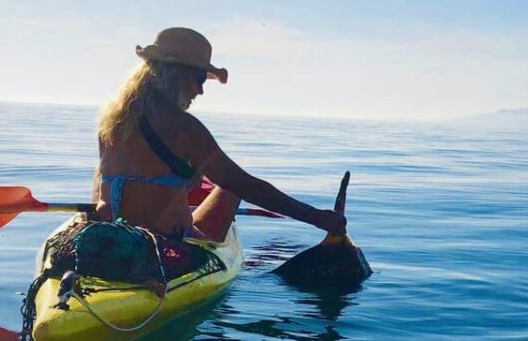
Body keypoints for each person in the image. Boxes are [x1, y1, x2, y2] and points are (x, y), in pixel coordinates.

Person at [92, 27, 346, 242]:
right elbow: (247, 186)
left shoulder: (112, 122)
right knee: (230, 189)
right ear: (176, 76)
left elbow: (101, 185)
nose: (201, 91)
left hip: (107, 237)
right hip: (163, 245)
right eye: (200, 78)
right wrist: (316, 217)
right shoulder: (185, 127)